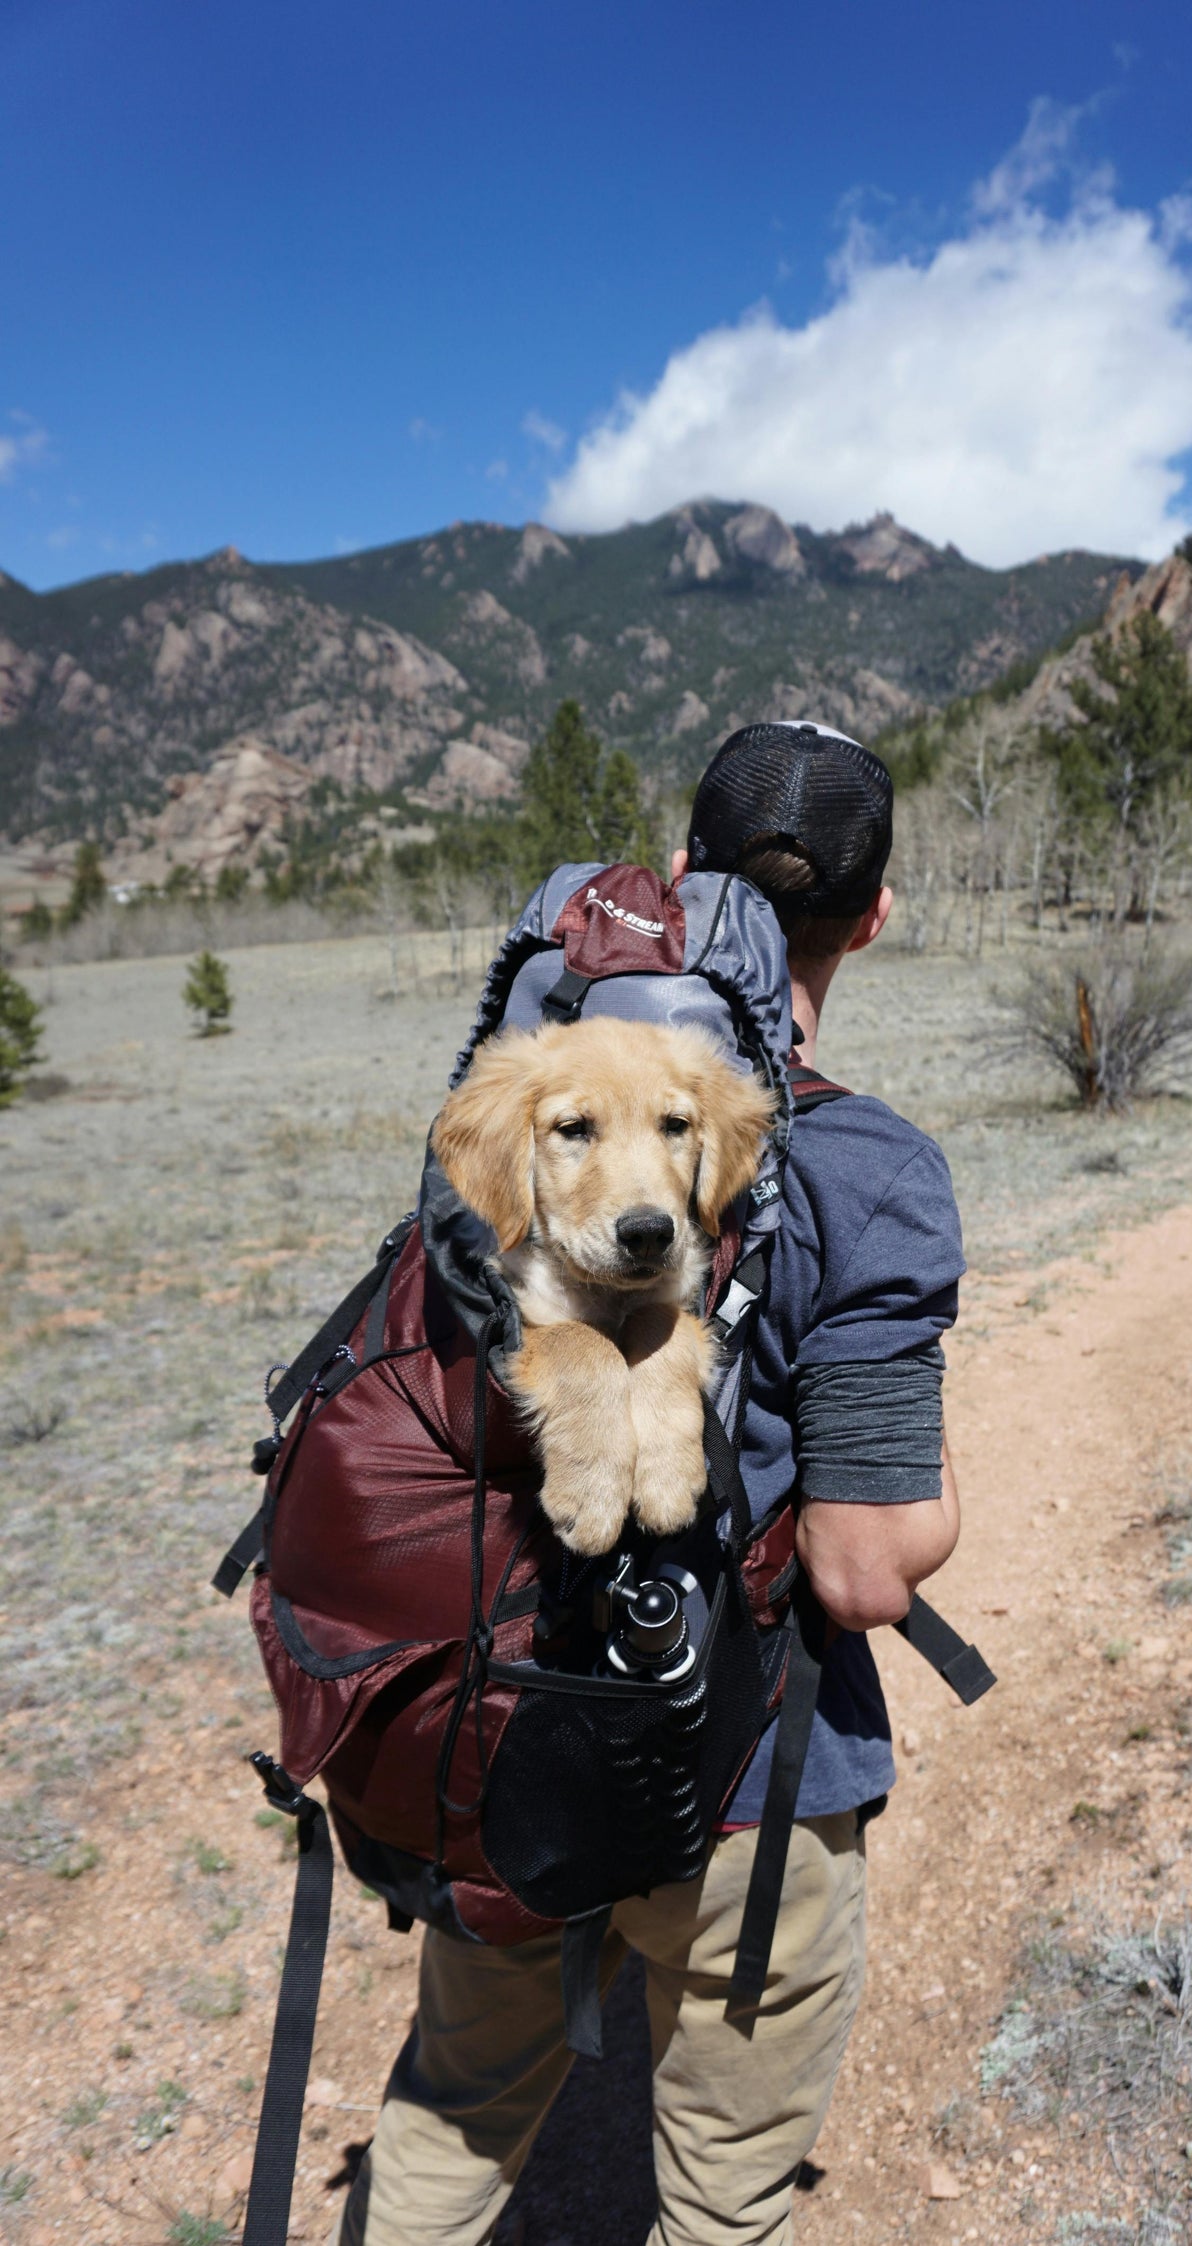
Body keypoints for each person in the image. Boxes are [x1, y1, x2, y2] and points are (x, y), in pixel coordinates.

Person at [337, 720, 965, 2246]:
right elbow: (867, 1567)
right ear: (875, 915)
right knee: (720, 2188)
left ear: (678, 882)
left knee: (452, 2112)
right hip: (749, 1786)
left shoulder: (540, 1110)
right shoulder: (867, 1166)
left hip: (505, 1725)